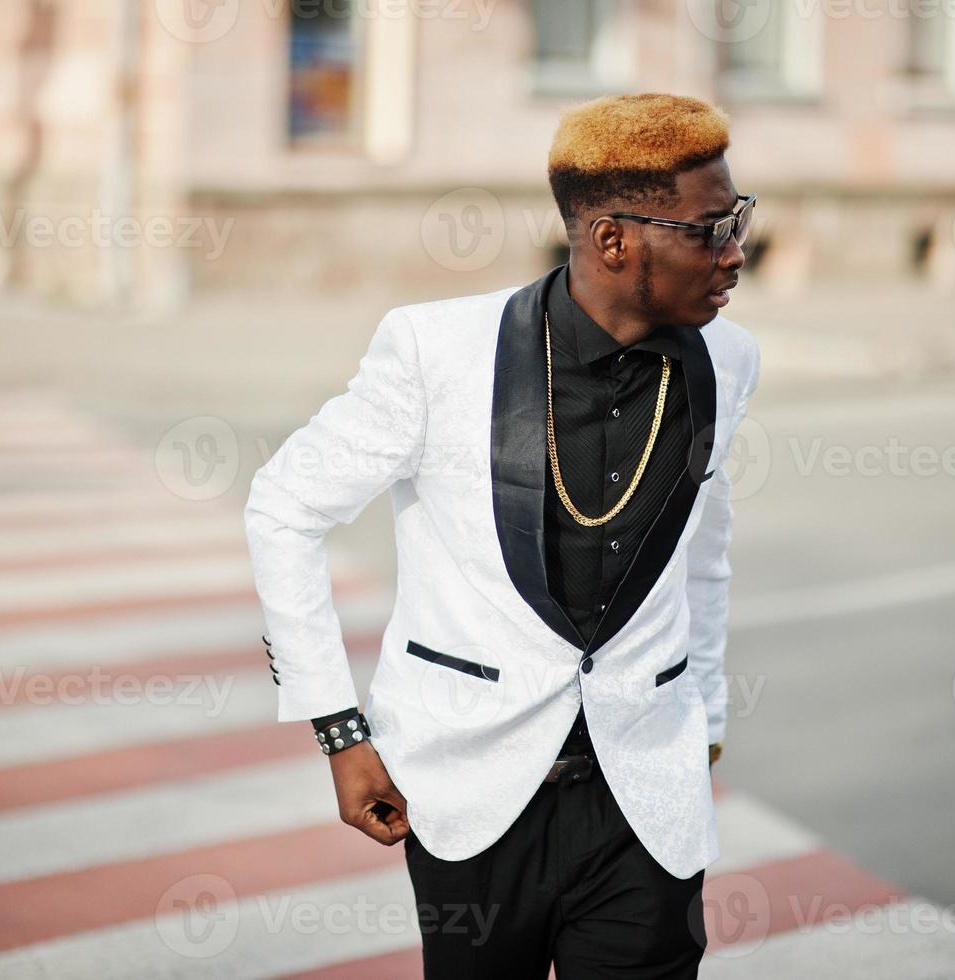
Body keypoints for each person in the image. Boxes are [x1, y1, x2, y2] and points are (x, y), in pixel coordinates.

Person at [244, 91, 759, 978]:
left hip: (645, 792)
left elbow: (702, 548)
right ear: (613, 240)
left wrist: (704, 710)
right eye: (710, 228)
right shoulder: (434, 352)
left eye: (736, 219)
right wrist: (339, 728)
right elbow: (283, 508)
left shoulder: (729, 359)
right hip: (471, 794)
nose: (734, 252)